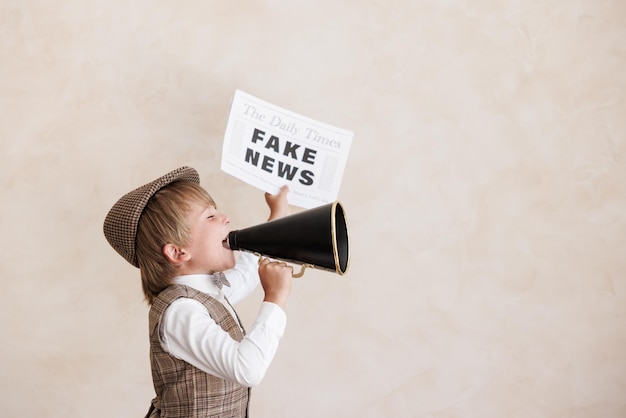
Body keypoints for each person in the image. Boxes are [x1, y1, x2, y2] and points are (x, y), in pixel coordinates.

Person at [103, 166, 294, 418]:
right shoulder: (181, 312)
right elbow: (248, 368)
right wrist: (275, 298)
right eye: (210, 217)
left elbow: (248, 273)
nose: (226, 218)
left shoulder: (209, 290)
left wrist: (278, 216)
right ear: (178, 252)